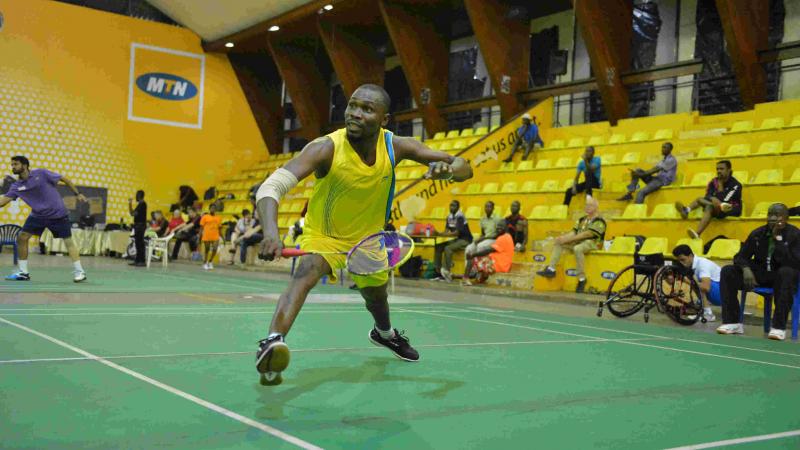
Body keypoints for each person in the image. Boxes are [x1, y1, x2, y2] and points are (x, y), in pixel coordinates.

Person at [255, 84, 473, 385]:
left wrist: (447, 169)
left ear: (384, 119)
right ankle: (271, 344)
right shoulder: (325, 148)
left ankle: (385, 335)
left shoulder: (397, 146)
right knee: (306, 272)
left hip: (368, 240)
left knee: (376, 297)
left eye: (367, 109)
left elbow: (465, 167)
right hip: (325, 235)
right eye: (352, 106)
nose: (355, 114)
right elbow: (271, 187)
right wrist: (270, 232)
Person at [716, 203, 800, 340]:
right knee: (728, 271)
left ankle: (778, 327)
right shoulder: (758, 233)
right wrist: (746, 269)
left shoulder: (795, 234)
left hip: (783, 276)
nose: (773, 218)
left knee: (787, 272)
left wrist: (778, 240)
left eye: (777, 215)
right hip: (760, 275)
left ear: (786, 217)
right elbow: (740, 257)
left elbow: (795, 262)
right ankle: (733, 322)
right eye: (770, 214)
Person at [0, 155, 87, 282]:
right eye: (12, 164)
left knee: (68, 241)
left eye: (16, 164)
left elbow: (64, 179)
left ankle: (80, 272)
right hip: (38, 215)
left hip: (57, 214)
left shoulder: (41, 173)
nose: (13, 167)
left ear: (24, 165)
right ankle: (23, 273)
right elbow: (2, 202)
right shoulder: (16, 186)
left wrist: (77, 193)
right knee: (22, 237)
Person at [536, 197, 606, 293]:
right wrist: (563, 238)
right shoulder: (582, 219)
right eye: (586, 205)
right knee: (559, 243)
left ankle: (582, 279)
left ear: (595, 207)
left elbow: (587, 234)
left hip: (593, 243)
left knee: (577, 248)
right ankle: (551, 269)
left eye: (590, 205)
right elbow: (574, 232)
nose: (587, 207)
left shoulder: (599, 221)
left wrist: (569, 240)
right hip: (579, 241)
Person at [675, 160, 742, 239]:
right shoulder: (714, 181)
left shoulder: (736, 185)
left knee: (704, 202)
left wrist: (720, 187)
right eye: (717, 169)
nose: (719, 171)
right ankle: (687, 211)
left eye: (721, 169)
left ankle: (694, 227)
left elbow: (723, 201)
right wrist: (712, 198)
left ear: (729, 170)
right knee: (703, 201)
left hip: (730, 208)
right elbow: (707, 195)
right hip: (715, 206)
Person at [672, 244, 720, 321]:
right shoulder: (692, 264)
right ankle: (701, 309)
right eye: (679, 261)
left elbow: (705, 288)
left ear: (690, 256)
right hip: (718, 292)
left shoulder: (703, 264)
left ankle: (708, 314)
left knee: (700, 285)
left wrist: (686, 280)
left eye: (683, 260)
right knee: (695, 283)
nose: (681, 263)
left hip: (723, 295)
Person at [462, 220, 514, 286]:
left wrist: (473, 254)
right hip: (502, 264)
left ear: (506, 227)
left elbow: (489, 250)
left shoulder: (503, 238)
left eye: (501, 226)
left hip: (497, 265)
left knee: (472, 258)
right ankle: (481, 278)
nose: (498, 228)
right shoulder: (507, 236)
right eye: (497, 226)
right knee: (483, 257)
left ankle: (465, 278)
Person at [433, 200, 473, 282]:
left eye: (454, 206)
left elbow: (456, 233)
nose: (451, 207)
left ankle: (446, 272)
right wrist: (437, 233)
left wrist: (442, 235)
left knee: (448, 248)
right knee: (438, 246)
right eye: (450, 205)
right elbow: (446, 231)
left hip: (465, 240)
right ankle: (438, 271)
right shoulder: (449, 217)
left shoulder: (460, 217)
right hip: (457, 239)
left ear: (458, 207)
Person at [462, 201, 501, 279]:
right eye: (486, 206)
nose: (487, 208)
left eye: (489, 207)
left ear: (493, 208)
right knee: (469, 248)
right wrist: (479, 239)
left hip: (494, 240)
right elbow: (483, 233)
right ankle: (469, 271)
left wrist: (484, 238)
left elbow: (498, 234)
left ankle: (478, 270)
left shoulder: (497, 218)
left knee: (480, 246)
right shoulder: (483, 218)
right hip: (485, 239)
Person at [199, 204, 222, 270]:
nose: (213, 209)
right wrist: (199, 237)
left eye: (214, 208)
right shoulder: (205, 217)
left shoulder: (218, 217)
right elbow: (201, 228)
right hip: (207, 235)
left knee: (215, 249)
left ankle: (210, 261)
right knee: (207, 249)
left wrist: (222, 237)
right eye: (211, 208)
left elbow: (220, 228)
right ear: (209, 209)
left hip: (216, 235)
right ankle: (205, 263)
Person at [128, 190, 147, 267]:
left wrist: (130, 203)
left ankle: (142, 261)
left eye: (137, 195)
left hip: (140, 226)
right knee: (137, 243)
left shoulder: (143, 204)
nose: (136, 196)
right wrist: (130, 204)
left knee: (140, 243)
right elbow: (132, 213)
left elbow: (134, 213)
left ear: (139, 195)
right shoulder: (139, 204)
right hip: (138, 226)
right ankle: (137, 260)